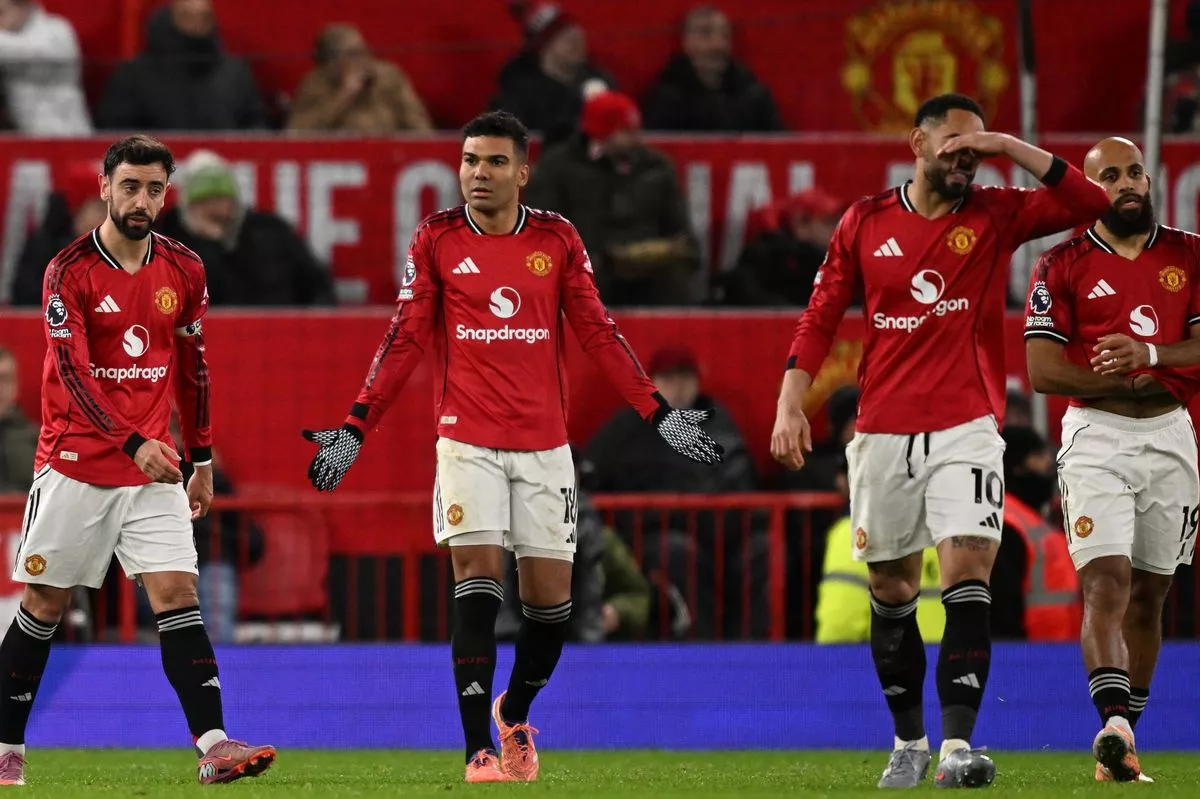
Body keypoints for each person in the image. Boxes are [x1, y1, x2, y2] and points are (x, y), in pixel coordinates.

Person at [302, 111, 722, 783]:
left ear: (522, 173)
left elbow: (599, 331)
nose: (479, 173)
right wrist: (355, 426)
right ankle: (477, 750)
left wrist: (657, 412)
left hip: (544, 448)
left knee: (551, 607)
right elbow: (404, 337)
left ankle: (515, 711)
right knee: (477, 583)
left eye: (495, 162)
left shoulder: (556, 239)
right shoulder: (436, 238)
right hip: (466, 441)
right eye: (470, 160)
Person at [770, 93, 1110, 789]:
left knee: (967, 572)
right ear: (917, 144)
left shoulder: (995, 213)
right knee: (891, 588)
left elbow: (1089, 202)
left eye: (975, 146)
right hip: (883, 430)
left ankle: (957, 745)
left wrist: (1007, 146)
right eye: (955, 143)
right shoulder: (865, 221)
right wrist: (789, 403)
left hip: (967, 427)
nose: (966, 157)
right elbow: (820, 315)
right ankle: (909, 740)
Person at [1, 136, 275, 786]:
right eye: (129, 186)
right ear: (105, 187)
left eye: (154, 189)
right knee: (43, 603)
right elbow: (73, 374)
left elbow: (193, 367)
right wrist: (133, 442)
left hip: (152, 469)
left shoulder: (184, 267)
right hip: (74, 463)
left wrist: (200, 457)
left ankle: (214, 744)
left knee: (178, 594)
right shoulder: (68, 270)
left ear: (166, 194)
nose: (141, 200)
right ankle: (6, 748)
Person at [1024, 136, 1200, 783]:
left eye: (1134, 173)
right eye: (1110, 177)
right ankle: (1115, 722)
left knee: (1151, 596)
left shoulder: (1190, 254)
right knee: (1105, 582)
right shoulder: (1060, 264)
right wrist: (1129, 381)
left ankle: (1125, 745)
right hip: (1096, 437)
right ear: (1090, 189)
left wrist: (1149, 357)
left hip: (1172, 437)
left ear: (1149, 181)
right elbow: (1043, 370)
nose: (1126, 184)